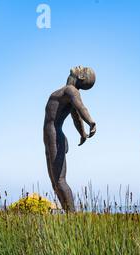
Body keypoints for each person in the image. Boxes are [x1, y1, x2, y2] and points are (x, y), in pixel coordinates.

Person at [43, 66, 97, 211]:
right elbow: (76, 116)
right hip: (50, 137)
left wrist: (91, 122)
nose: (80, 66)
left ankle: (71, 217)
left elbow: (81, 108)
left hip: (55, 137)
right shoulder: (67, 91)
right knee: (55, 183)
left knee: (60, 181)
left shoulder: (71, 91)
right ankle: (68, 213)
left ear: (82, 77)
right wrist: (82, 133)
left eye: (83, 69)